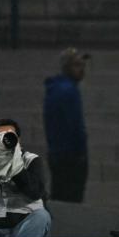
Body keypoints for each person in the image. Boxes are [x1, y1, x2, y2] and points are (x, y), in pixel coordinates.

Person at [43, 47, 89, 203]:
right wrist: (80, 152)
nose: (82, 69)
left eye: (82, 65)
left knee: (60, 198)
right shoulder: (68, 91)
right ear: (67, 67)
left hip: (58, 154)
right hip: (69, 157)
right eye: (77, 65)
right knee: (70, 201)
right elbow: (73, 126)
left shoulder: (56, 89)